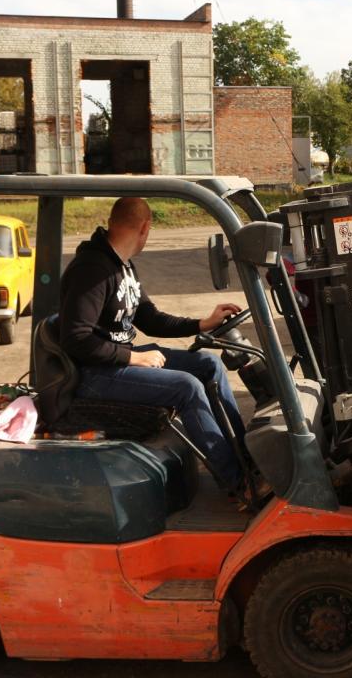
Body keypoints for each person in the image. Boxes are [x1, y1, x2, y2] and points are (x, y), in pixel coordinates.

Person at [59, 197, 249, 495]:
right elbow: (76, 338)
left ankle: (246, 460)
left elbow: (150, 319)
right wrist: (133, 358)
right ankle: (238, 483)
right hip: (93, 374)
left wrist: (202, 323)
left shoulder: (122, 266)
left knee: (208, 364)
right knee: (186, 387)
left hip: (115, 363)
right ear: (145, 227)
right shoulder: (92, 269)